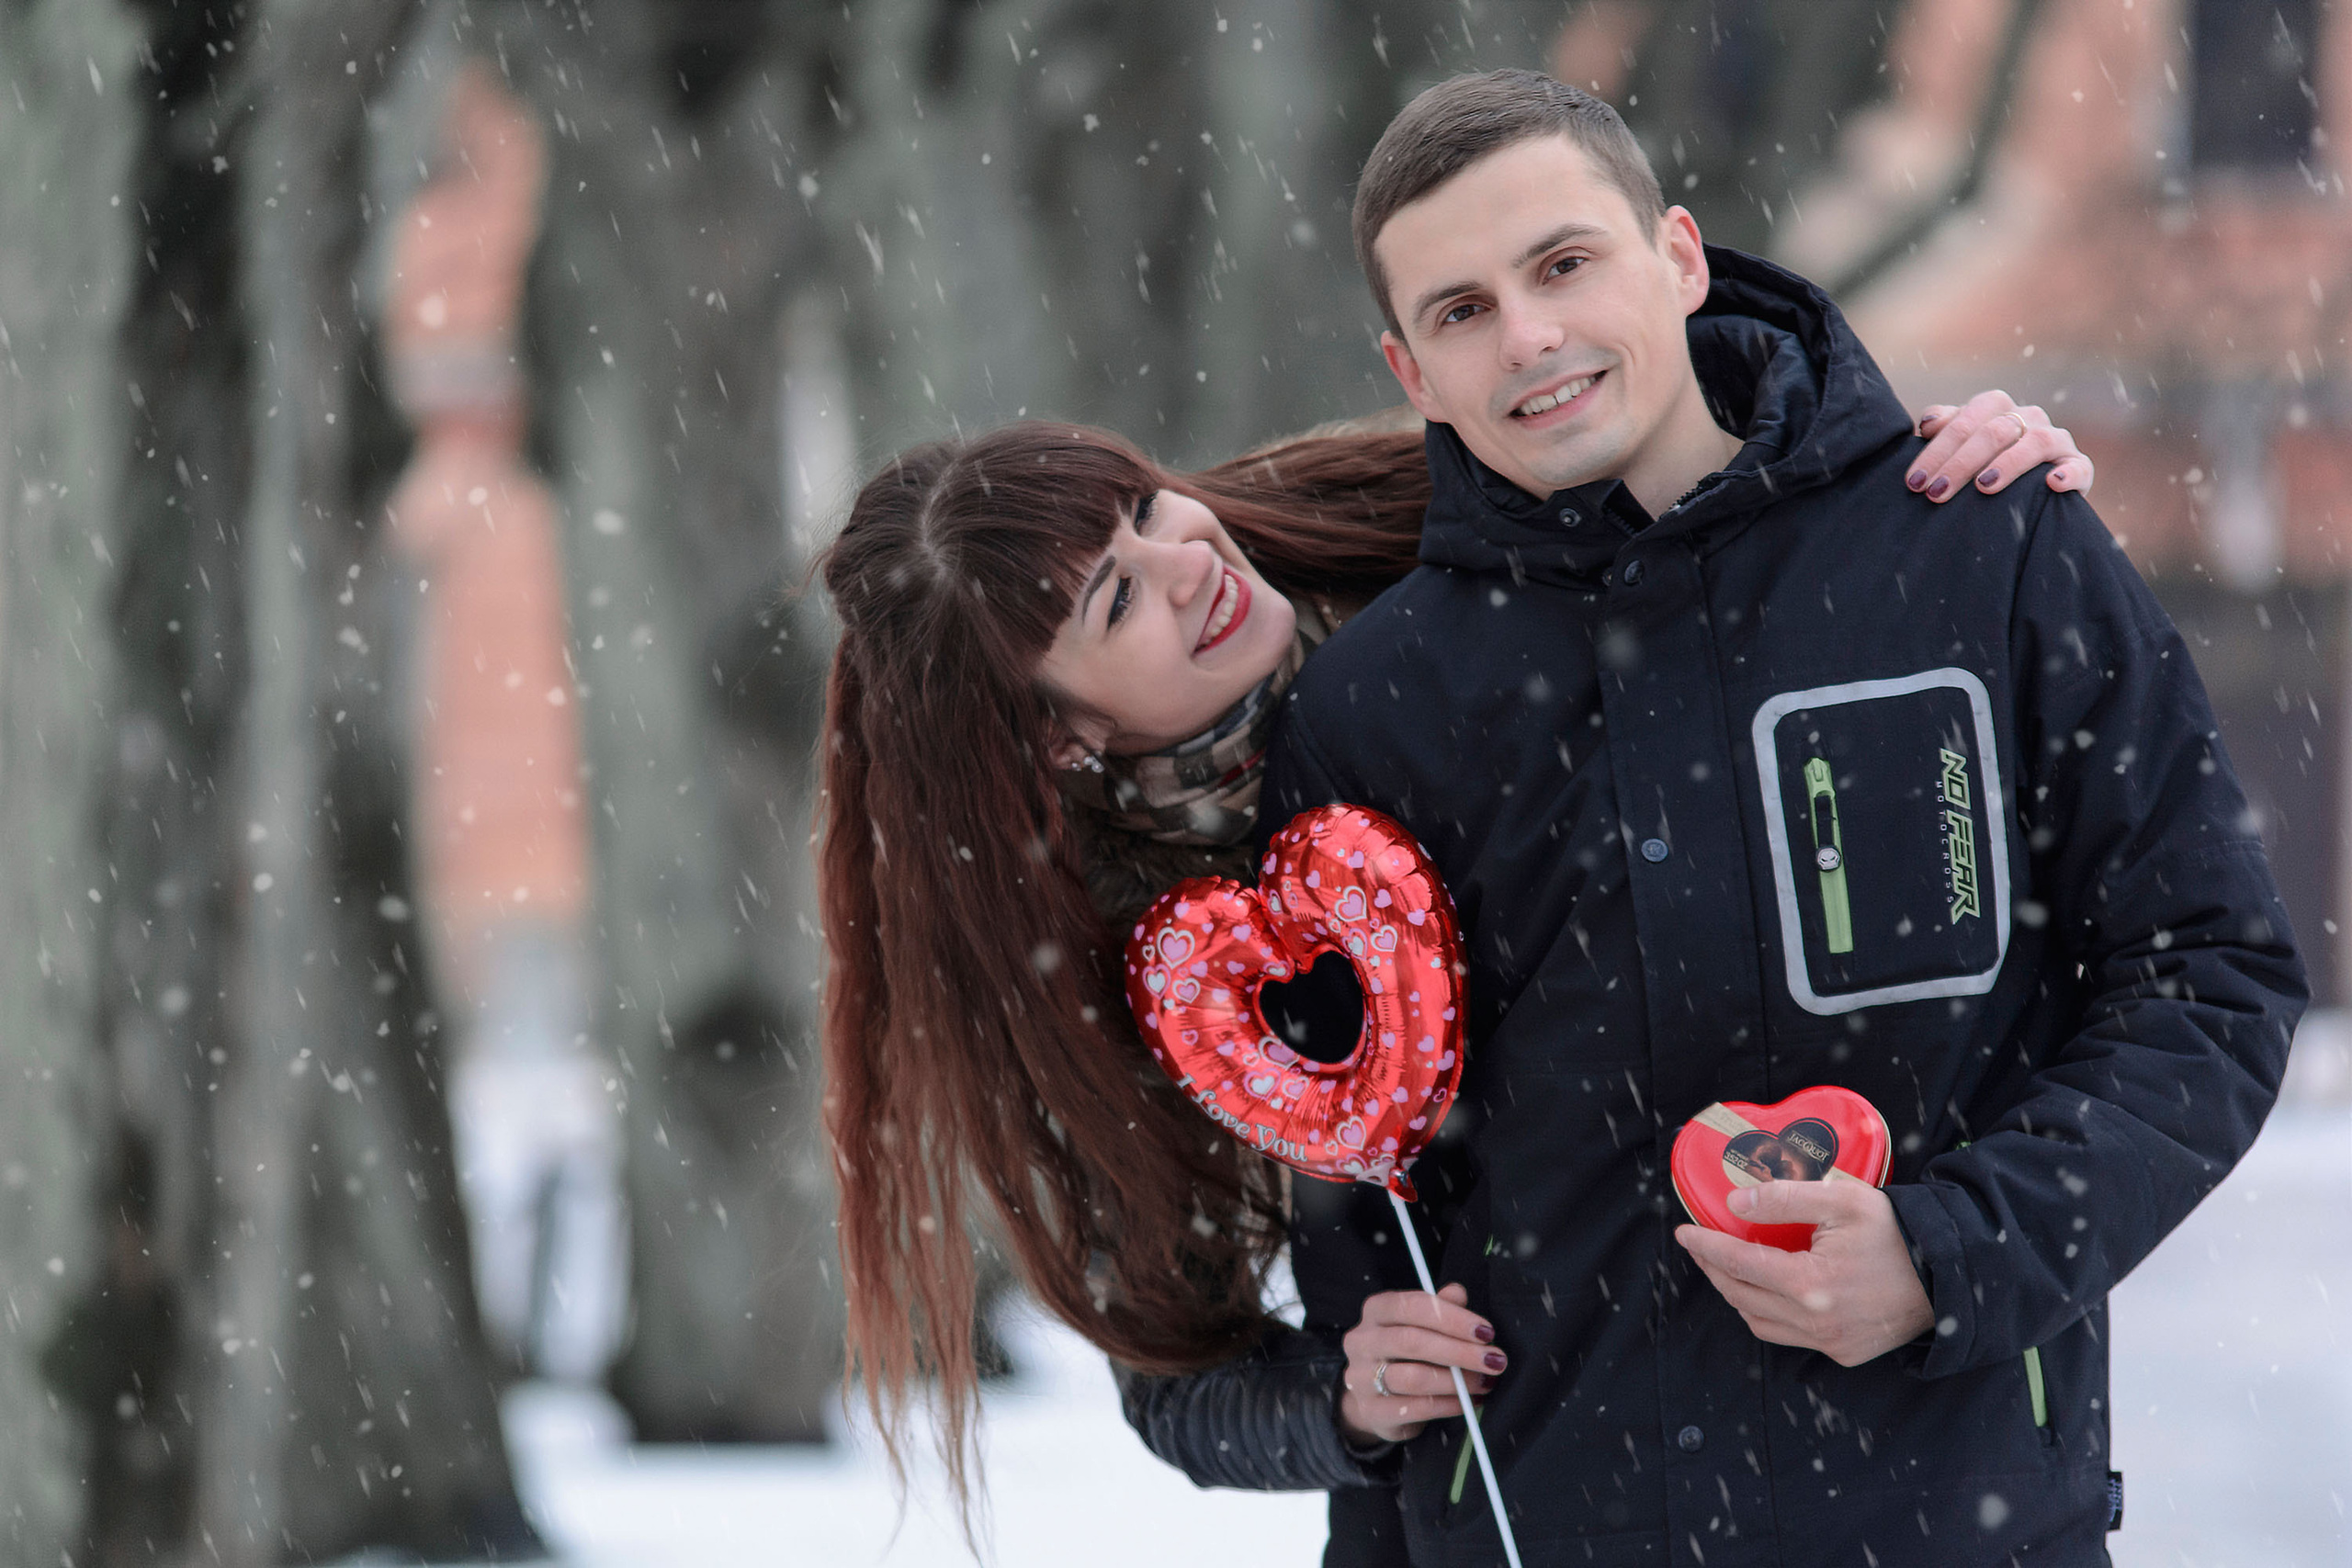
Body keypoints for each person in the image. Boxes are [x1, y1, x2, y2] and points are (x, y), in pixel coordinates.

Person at [1227, 69, 2304, 1566]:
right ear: (1412, 374)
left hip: (1965, 1524)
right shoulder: (1374, 709)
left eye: (1562, 263)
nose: (1528, 334)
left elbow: (2208, 975)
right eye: (1462, 310)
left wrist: (1954, 1255)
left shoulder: (1982, 547)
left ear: (1676, 256)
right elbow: (1370, 1197)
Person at [816, 378, 2092, 1514]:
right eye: (1117, 599)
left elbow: (1743, 493)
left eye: (1146, 509)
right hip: (1538, 1481)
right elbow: (1175, 1380)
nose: (1186, 557)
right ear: (1058, 740)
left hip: (1901, 1410)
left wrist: (1920, 468)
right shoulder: (1135, 960)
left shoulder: (1465, 541)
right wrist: (1342, 1400)